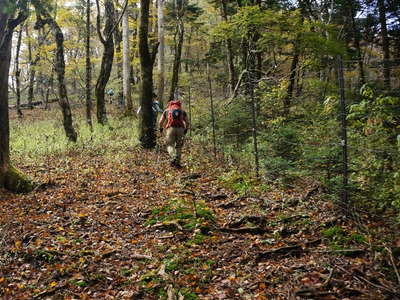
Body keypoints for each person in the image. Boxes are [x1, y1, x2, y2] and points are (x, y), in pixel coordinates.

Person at [159, 99, 189, 168]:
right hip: (180, 129)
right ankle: (177, 163)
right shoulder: (182, 111)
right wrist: (186, 129)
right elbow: (187, 122)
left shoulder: (167, 111)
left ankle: (173, 157)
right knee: (179, 146)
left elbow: (160, 122)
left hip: (170, 129)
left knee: (169, 145)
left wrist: (161, 129)